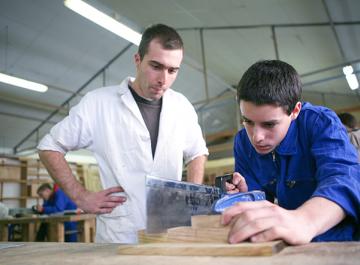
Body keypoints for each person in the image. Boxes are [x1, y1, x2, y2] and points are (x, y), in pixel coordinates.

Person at [37, 24, 208, 243]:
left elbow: (197, 152)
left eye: (172, 70)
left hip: (170, 232)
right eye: (156, 66)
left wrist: (190, 195)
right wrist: (81, 196)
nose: (163, 79)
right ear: (137, 60)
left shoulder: (181, 106)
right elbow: (49, 146)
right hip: (120, 234)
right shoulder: (98, 103)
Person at [222, 60, 360, 245]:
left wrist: (305, 221)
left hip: (339, 240)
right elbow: (261, 202)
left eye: (269, 124)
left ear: (295, 111)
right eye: (247, 121)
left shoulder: (319, 123)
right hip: (285, 245)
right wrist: (247, 195)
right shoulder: (242, 142)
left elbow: (344, 180)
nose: (256, 137)